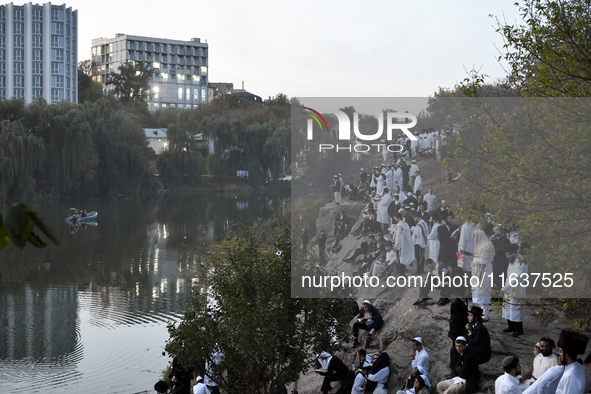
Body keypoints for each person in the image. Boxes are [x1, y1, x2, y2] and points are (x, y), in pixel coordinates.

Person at [501, 243, 528, 337]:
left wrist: (505, 288)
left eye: (508, 254)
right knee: (508, 307)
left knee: (516, 308)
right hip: (509, 288)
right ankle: (511, 326)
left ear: (513, 253)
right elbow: (509, 276)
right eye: (506, 255)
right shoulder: (512, 262)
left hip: (517, 289)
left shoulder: (521, 262)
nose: (507, 257)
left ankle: (519, 329)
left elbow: (517, 278)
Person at [471, 229, 495, 320]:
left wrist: (473, 258)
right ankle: (480, 312)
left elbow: (484, 260)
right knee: (478, 292)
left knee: (484, 291)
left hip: (485, 271)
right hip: (477, 272)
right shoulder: (477, 245)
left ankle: (485, 314)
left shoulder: (488, 245)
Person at [555, 329, 588, 394]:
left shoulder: (570, 376)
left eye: (560, 351)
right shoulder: (578, 366)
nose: (559, 354)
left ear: (566, 355)